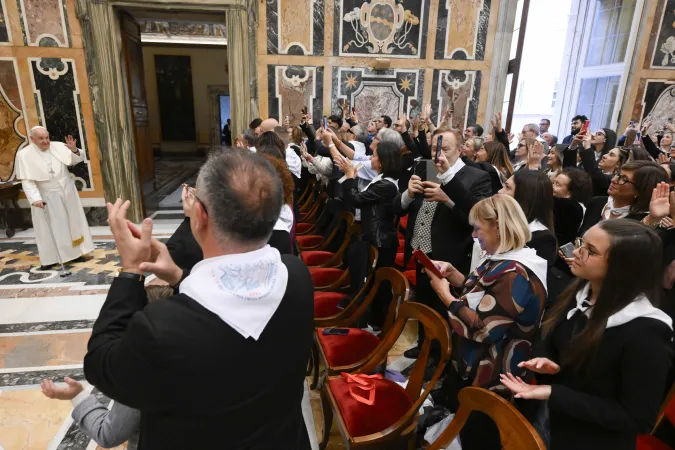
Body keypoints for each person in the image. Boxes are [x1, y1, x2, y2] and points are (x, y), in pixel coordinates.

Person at [84, 151, 314, 449]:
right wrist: (180, 276)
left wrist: (130, 272)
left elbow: (102, 364)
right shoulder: (297, 276)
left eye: (192, 198)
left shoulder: (163, 328)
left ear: (201, 216)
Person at [502, 220, 673, 450]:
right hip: (549, 418)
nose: (577, 252)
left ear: (622, 267)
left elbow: (636, 417)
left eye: (590, 251)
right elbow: (548, 333)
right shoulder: (580, 291)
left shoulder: (646, 331)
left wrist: (554, 393)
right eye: (582, 243)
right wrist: (545, 359)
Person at [427, 195, 548, 450]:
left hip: (493, 373)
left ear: (498, 226)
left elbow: (484, 329)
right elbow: (483, 295)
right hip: (476, 365)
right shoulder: (505, 258)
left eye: (478, 228)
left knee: (477, 437)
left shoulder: (517, 272)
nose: (473, 235)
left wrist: (445, 296)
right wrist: (456, 276)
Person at [394, 127, 492, 359]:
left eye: (445, 149)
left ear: (460, 150)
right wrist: (408, 194)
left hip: (451, 255)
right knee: (424, 303)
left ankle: (437, 358)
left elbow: (476, 220)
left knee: (443, 309)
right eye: (436, 149)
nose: (440, 155)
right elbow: (396, 208)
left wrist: (447, 200)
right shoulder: (427, 168)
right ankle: (422, 345)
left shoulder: (477, 176)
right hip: (421, 249)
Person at [334, 142, 401, 326]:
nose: (371, 157)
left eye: (375, 155)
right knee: (371, 285)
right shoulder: (381, 179)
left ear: (384, 161)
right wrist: (352, 177)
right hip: (374, 236)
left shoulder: (387, 185)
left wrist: (350, 177)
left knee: (379, 286)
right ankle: (370, 318)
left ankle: (379, 323)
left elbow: (357, 200)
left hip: (382, 240)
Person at [15, 126, 94, 269]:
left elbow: (77, 159)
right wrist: (35, 199)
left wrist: (74, 150)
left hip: (67, 192)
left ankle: (75, 255)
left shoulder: (58, 146)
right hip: (46, 196)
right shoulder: (24, 155)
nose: (45, 141)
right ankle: (50, 259)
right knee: (49, 228)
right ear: (32, 139)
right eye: (41, 139)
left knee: (71, 224)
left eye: (47, 137)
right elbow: (27, 181)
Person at [580, 161, 669, 235]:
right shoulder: (597, 202)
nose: (613, 180)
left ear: (639, 191)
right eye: (617, 174)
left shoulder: (646, 221)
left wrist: (652, 219)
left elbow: (630, 247)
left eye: (624, 179)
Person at [499, 170, 557, 265]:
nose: (500, 191)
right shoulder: (499, 219)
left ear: (524, 196)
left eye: (507, 187)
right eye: (504, 185)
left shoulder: (542, 240)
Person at [552, 168, 593, 246]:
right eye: (553, 183)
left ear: (569, 193)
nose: (552, 187)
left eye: (557, 184)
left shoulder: (573, 210)